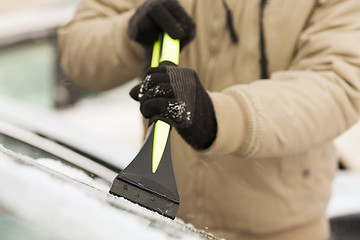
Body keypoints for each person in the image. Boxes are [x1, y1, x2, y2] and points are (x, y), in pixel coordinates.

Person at [58, 0, 360, 239]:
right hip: (159, 221)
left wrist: (221, 116)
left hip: (281, 232)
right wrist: (127, 33)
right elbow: (76, 57)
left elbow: (338, 82)